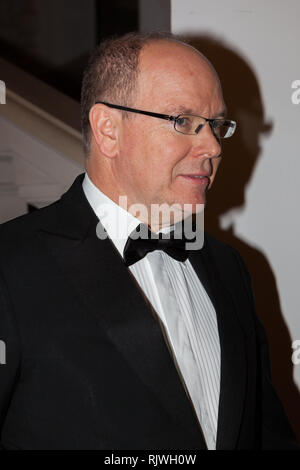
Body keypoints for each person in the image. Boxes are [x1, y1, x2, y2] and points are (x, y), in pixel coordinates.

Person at [0, 32, 298, 450]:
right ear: (108, 130)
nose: (212, 146)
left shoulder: (229, 268)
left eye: (215, 125)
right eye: (183, 121)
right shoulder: (11, 267)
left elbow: (267, 435)